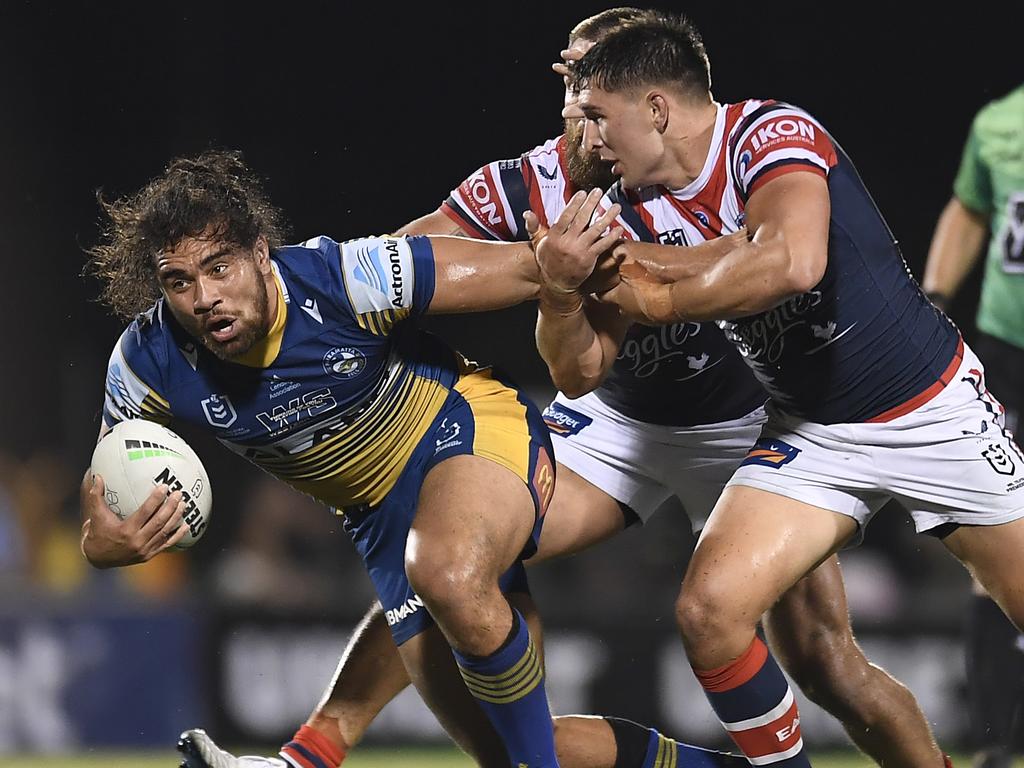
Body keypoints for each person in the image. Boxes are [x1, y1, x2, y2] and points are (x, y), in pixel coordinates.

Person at [177, 8, 949, 768]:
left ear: (644, 97)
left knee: (826, 663)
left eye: (595, 89)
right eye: (572, 88)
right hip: (612, 426)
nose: (583, 116)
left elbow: (791, 251)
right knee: (458, 554)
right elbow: (390, 264)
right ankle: (315, 752)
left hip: (743, 427)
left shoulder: (710, 161)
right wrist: (275, 306)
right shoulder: (526, 186)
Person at [530, 13, 1024, 767]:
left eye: (599, 117)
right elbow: (583, 362)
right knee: (709, 613)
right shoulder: (627, 202)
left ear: (657, 109)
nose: (589, 140)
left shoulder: (768, 133)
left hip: (932, 415)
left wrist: (658, 292)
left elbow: (791, 263)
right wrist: (566, 292)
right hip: (813, 435)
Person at [80, 148, 629, 768]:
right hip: (380, 518)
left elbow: (522, 273)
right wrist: (104, 546)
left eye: (219, 267)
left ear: (260, 253)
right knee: (512, 747)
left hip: (464, 427)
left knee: (448, 572)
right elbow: (103, 494)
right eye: (179, 282)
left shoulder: (343, 277)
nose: (204, 297)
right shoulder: (144, 362)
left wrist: (555, 263)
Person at [921, 83, 1024, 768]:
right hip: (1011, 356)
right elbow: (969, 209)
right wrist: (929, 302)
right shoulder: (1000, 122)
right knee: (994, 557)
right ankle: (995, 747)